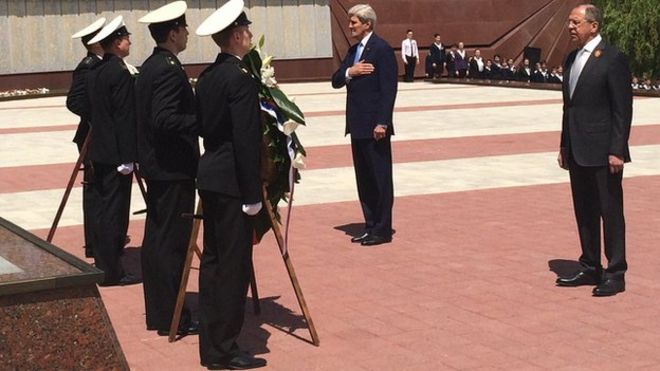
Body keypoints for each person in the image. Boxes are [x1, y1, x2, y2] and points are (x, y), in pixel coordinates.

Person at [194, 0, 266, 369]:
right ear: (237, 36)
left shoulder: (208, 76)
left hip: (210, 175)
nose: (251, 36)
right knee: (233, 267)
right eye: (248, 31)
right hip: (233, 183)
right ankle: (224, 349)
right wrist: (253, 194)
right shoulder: (238, 79)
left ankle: (211, 345)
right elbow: (245, 139)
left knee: (213, 262)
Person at [556, 4, 632, 297]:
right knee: (584, 210)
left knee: (609, 212)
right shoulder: (570, 59)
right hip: (577, 150)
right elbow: (569, 107)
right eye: (569, 22)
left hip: (604, 152)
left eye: (575, 22)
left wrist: (617, 149)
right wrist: (564, 144)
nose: (570, 27)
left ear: (593, 26)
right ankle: (590, 266)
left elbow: (622, 109)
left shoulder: (612, 59)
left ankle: (615, 272)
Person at [136, 1, 200, 337]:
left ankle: (161, 314)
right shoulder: (166, 68)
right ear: (173, 33)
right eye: (185, 28)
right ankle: (172, 317)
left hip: (161, 168)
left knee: (159, 240)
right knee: (170, 244)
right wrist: (199, 120)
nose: (188, 33)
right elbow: (163, 119)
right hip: (172, 169)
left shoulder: (153, 65)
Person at [331, 4, 397, 246]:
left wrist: (383, 122)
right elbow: (336, 80)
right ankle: (370, 226)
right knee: (365, 179)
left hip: (375, 128)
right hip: (356, 126)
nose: (350, 26)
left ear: (368, 24)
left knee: (380, 178)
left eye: (354, 22)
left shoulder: (381, 50)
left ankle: (382, 229)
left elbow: (388, 90)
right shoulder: (353, 51)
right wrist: (351, 70)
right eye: (349, 22)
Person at [86, 16, 140, 287]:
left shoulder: (97, 70)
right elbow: (123, 117)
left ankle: (103, 264)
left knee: (103, 209)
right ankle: (111, 271)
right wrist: (127, 156)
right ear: (117, 43)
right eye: (126, 38)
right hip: (116, 154)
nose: (130, 41)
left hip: (100, 150)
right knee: (114, 214)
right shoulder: (119, 72)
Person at [66, 17, 105, 259]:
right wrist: (97, 115)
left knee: (102, 189)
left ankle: (103, 237)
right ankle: (94, 242)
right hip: (91, 136)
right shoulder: (88, 66)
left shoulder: (101, 64)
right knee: (94, 190)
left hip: (101, 135)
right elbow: (74, 102)